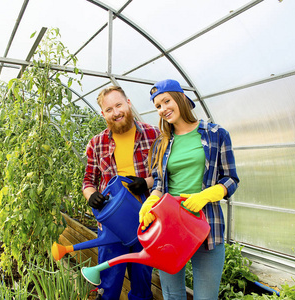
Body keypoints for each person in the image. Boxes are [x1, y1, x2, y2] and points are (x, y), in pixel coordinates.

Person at [139, 79, 239, 300]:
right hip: (169, 227)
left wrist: (207, 195)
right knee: (173, 295)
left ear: (182, 98)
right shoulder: (162, 143)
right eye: (158, 106)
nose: (163, 109)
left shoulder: (216, 134)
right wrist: (150, 203)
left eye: (167, 101)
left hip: (206, 225)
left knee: (206, 297)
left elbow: (231, 179)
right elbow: (159, 185)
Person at [82, 85, 160, 300]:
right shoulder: (96, 144)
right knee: (108, 287)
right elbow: (88, 181)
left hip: (146, 223)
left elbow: (168, 174)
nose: (116, 112)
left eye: (118, 105)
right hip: (112, 228)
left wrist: (147, 182)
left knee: (142, 287)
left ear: (128, 103)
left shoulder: (154, 134)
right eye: (109, 109)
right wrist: (92, 196)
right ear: (103, 114)